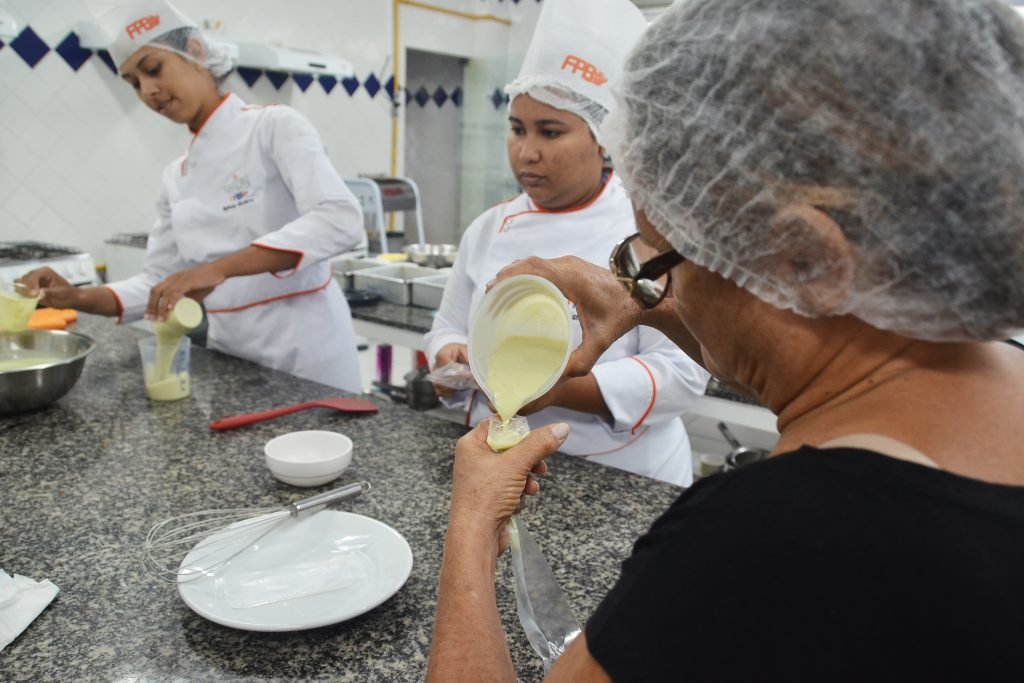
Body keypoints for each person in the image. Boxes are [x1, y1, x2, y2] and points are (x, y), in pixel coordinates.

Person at [426, 0, 1024, 680]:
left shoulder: (766, 539)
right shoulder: (995, 379)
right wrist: (645, 299)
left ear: (807, 257)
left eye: (661, 260)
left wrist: (472, 522)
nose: (656, 286)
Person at [425, 0, 709, 486]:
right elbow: (447, 327)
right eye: (517, 129)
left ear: (602, 139)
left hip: (621, 476)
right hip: (500, 466)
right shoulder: (490, 227)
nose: (526, 152)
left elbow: (682, 374)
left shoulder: (648, 229)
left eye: (550, 132)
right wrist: (450, 354)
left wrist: (559, 390)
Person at [18, 0, 363, 393]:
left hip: (307, 352)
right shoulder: (176, 177)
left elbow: (339, 219)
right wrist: (75, 296)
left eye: (153, 69)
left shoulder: (273, 127)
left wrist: (218, 269)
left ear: (196, 53)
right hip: (232, 357)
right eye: (134, 83)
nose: (148, 90)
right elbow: (157, 282)